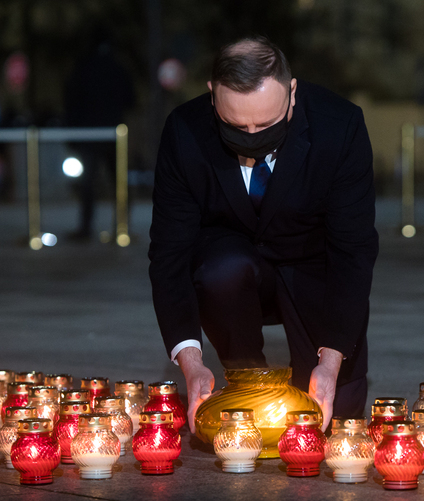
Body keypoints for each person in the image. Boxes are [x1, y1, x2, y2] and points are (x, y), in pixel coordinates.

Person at [148, 37, 378, 432]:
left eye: (266, 125)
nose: (251, 136)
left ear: (291, 93)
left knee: (333, 417)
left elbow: (353, 251)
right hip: (231, 271)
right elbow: (169, 254)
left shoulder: (339, 128)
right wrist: (192, 364)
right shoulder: (185, 132)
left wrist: (330, 362)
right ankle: (246, 377)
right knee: (223, 270)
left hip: (314, 269)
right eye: (236, 126)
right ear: (212, 97)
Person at [65, 28, 136, 240]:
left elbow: (71, 99)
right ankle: (122, 227)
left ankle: (86, 228)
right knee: (119, 181)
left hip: (90, 132)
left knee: (89, 183)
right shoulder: (118, 67)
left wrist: (74, 133)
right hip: (114, 131)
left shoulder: (83, 66)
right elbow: (131, 99)